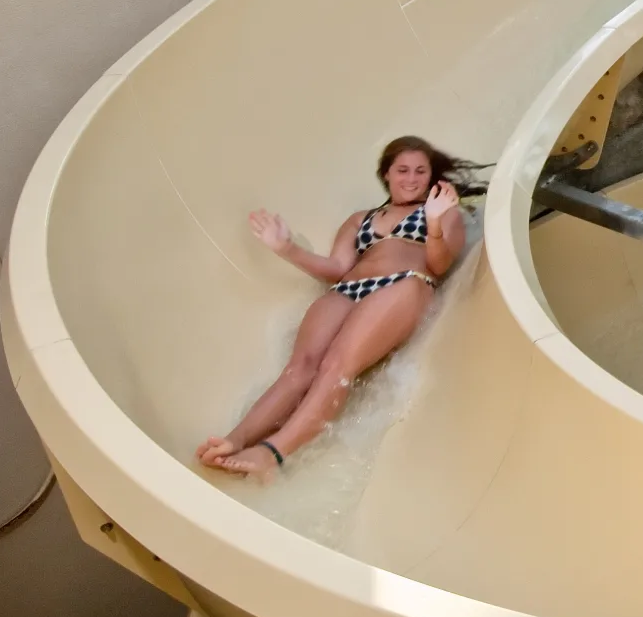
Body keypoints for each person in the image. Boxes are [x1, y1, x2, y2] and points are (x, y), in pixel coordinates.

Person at [198, 136, 479, 476]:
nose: (412, 178)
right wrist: (286, 248)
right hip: (350, 287)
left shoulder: (442, 213)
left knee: (336, 365)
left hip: (405, 283)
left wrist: (434, 223)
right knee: (298, 369)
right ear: (386, 174)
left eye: (421, 171)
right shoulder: (360, 219)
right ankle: (236, 439)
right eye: (402, 170)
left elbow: (439, 264)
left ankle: (272, 453)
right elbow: (337, 268)